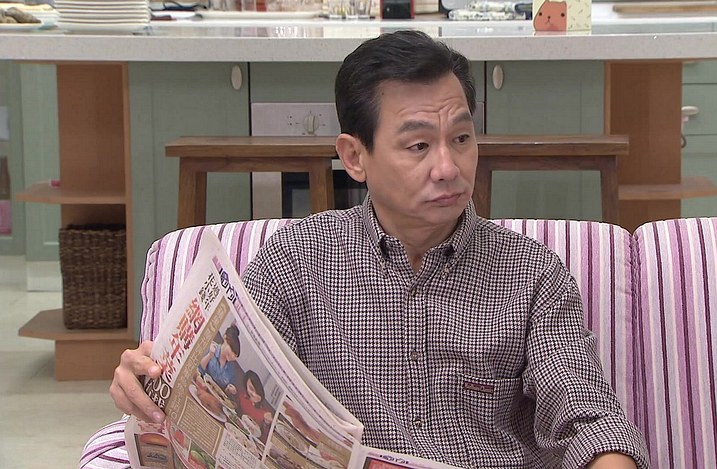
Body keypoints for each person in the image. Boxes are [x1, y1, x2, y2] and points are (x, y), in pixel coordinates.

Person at [110, 30, 649, 468]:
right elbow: (231, 387)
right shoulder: (295, 262)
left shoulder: (532, 273)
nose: (448, 167)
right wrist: (150, 383)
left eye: (461, 139)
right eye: (418, 145)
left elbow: (589, 420)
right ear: (354, 157)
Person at [198, 324, 243, 397]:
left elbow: (225, 392)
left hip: (215, 397)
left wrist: (230, 390)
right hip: (200, 387)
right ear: (225, 338)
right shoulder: (211, 347)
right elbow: (199, 369)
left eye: (235, 355)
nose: (232, 356)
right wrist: (210, 355)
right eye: (231, 349)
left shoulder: (231, 369)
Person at [236, 370, 275, 443]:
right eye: (251, 389)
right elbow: (236, 407)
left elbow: (263, 438)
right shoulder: (242, 396)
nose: (253, 394)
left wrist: (266, 424)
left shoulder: (266, 412)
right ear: (246, 386)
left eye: (256, 391)